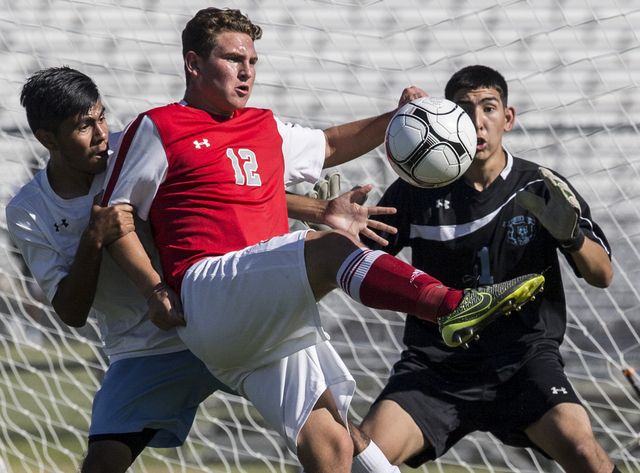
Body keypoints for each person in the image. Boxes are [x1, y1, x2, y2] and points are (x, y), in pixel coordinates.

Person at [101, 9, 544, 473]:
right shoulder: (160, 126)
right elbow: (116, 216)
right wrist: (153, 288)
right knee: (332, 247)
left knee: (333, 440)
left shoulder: (262, 126)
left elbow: (329, 146)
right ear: (193, 64)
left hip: (260, 318)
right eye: (232, 59)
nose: (247, 71)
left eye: (252, 61)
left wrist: (399, 117)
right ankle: (450, 305)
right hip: (208, 287)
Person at [355, 65, 619, 473]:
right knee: (359, 462)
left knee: (586, 454)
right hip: (435, 368)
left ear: (507, 118)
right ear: (448, 120)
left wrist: (571, 237)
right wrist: (331, 223)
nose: (478, 123)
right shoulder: (416, 190)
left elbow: (603, 276)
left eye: (489, 108)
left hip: (524, 363)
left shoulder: (540, 186)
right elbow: (354, 258)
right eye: (464, 110)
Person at [6, 66, 236, 473]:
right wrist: (93, 239)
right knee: (100, 466)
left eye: (102, 117)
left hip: (215, 322)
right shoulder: (27, 210)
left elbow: (224, 186)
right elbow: (72, 313)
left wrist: (321, 210)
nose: (101, 134)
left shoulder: (132, 152)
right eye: (83, 126)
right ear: (47, 140)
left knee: (327, 430)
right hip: (143, 351)